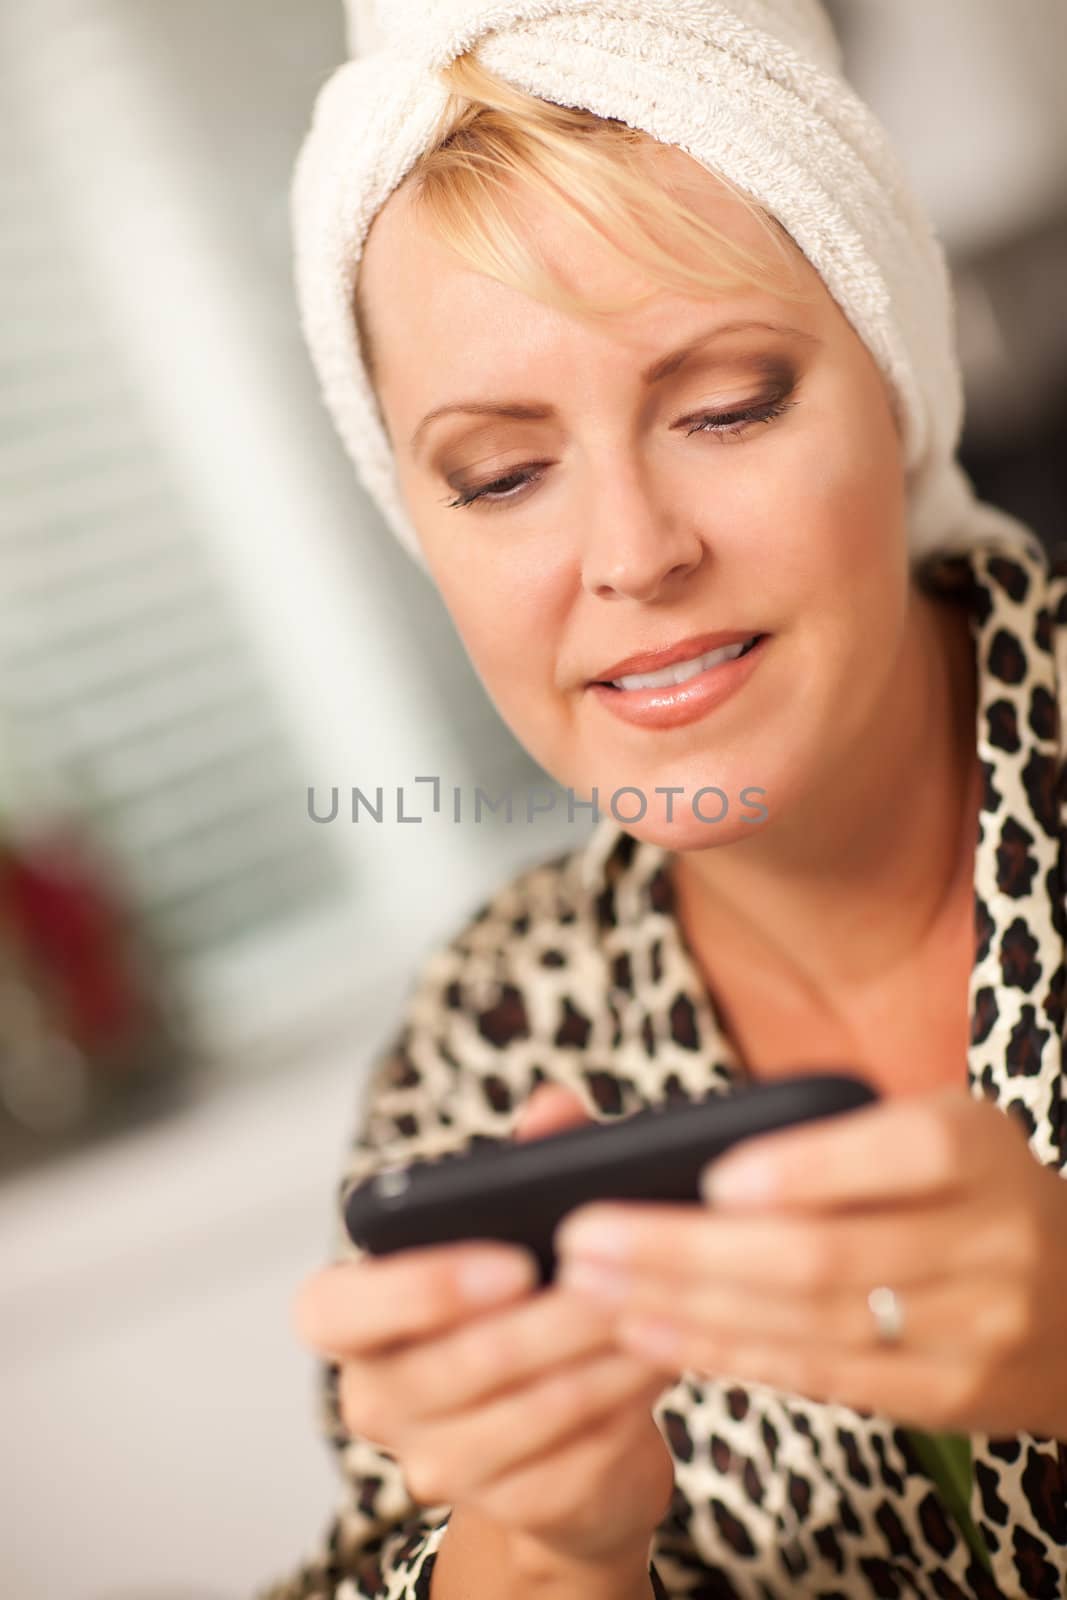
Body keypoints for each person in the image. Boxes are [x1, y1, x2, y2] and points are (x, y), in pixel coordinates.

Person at [262, 3, 1067, 1596]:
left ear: (894, 386)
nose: (633, 553)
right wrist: (543, 1548)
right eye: (500, 475)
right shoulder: (487, 1042)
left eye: (728, 405)